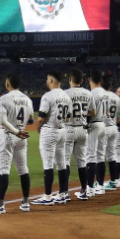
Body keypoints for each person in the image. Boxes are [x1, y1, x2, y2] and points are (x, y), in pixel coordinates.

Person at [0, 73, 33, 214]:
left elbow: (3, 121)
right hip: (22, 136)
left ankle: (0, 205)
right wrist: (20, 127)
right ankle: (26, 202)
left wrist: (15, 130)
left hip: (9, 135)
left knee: (4, 169)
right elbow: (32, 119)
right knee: (23, 168)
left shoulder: (4, 98)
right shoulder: (27, 99)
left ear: (7, 84)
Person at [32, 70, 72, 205]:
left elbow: (41, 117)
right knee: (61, 164)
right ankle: (63, 193)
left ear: (51, 80)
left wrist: (38, 127)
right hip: (62, 131)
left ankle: (48, 196)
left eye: (47, 79)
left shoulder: (48, 96)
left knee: (48, 164)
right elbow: (68, 118)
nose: (46, 81)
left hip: (49, 131)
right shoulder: (66, 96)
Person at [63, 69, 95, 199]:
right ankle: (83, 191)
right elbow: (93, 112)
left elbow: (63, 114)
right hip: (82, 129)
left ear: (70, 79)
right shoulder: (88, 94)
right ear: (82, 80)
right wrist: (82, 114)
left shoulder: (64, 94)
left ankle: (64, 192)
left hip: (69, 128)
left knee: (65, 161)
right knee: (81, 162)